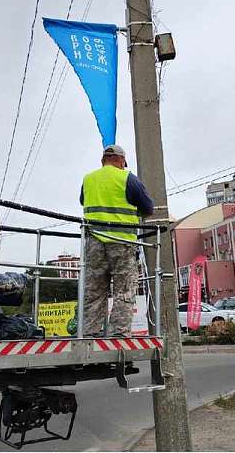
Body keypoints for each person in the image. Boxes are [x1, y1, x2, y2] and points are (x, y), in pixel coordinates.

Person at [79, 144, 154, 338]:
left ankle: (90, 334)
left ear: (103, 160)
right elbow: (148, 209)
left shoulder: (88, 180)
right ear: (121, 160)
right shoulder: (128, 178)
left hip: (94, 242)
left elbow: (83, 201)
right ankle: (118, 335)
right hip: (121, 243)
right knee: (124, 290)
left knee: (94, 291)